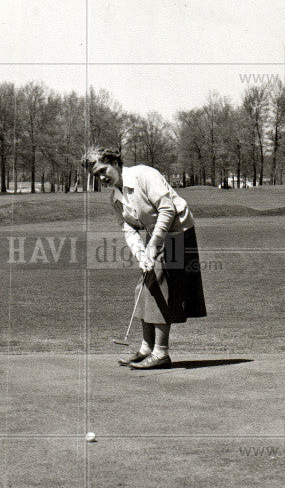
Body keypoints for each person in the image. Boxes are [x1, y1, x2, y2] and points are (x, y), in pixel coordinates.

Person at [82, 147, 207, 369]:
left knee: (159, 285)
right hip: (157, 233)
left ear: (115, 163)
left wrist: (153, 246)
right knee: (144, 286)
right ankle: (146, 349)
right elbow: (128, 229)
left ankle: (161, 353)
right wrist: (142, 256)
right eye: (96, 175)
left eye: (103, 170)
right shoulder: (115, 198)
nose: (102, 177)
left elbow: (167, 210)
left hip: (179, 231)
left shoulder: (144, 175)